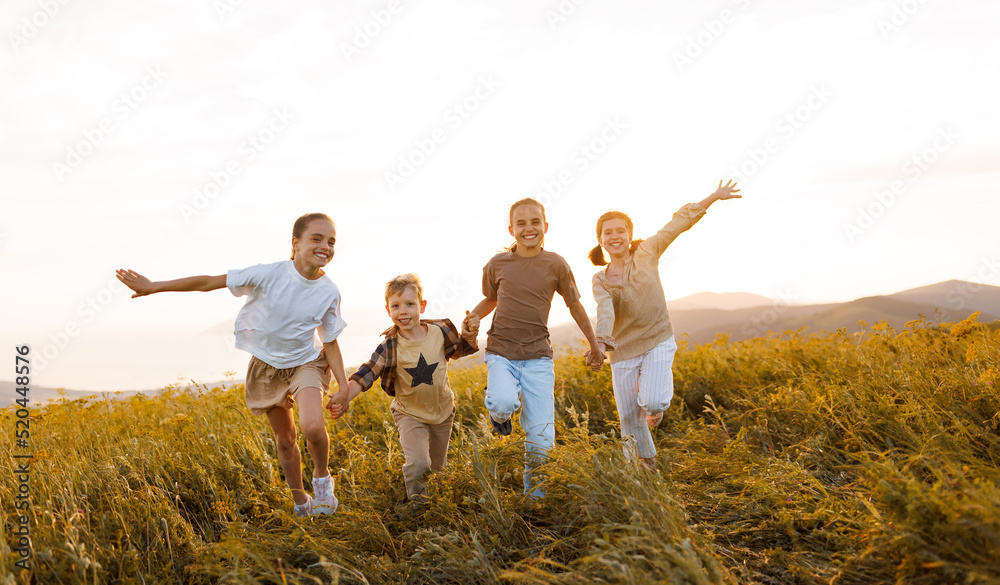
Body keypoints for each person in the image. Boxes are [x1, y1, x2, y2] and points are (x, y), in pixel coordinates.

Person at [115, 212, 349, 517]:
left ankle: (321, 481)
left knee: (312, 426)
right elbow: (208, 282)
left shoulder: (329, 291)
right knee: (285, 441)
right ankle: (300, 502)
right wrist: (153, 286)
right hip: (267, 367)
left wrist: (343, 386)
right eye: (317, 238)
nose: (325, 246)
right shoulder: (268, 274)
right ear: (295, 243)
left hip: (306, 362)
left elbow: (329, 340)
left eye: (331, 241)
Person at [589, 180, 742, 470]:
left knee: (653, 402)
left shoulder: (647, 252)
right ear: (600, 239)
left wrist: (714, 197)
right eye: (608, 232)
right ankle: (644, 467)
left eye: (620, 230)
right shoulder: (600, 279)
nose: (615, 236)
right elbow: (605, 311)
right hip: (621, 351)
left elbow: (678, 224)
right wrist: (600, 343)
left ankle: (655, 411)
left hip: (658, 339)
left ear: (630, 234)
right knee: (629, 418)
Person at [468, 198, 604, 497]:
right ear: (511, 229)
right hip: (501, 351)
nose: (528, 228)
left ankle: (536, 501)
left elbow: (575, 305)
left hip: (538, 359)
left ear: (545, 226)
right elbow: (491, 300)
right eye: (521, 223)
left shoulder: (555, 264)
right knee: (503, 402)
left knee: (542, 440)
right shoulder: (497, 264)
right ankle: (499, 415)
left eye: (534, 222)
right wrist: (474, 318)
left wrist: (594, 345)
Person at [328, 273, 479, 504]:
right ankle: (418, 507)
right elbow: (366, 373)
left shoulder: (440, 332)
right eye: (396, 306)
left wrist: (469, 332)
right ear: (388, 311)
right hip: (409, 413)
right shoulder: (390, 345)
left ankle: (437, 508)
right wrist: (344, 395)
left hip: (443, 413)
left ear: (422, 306)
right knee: (419, 464)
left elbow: (460, 350)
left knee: (437, 468)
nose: (403, 311)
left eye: (410, 304)